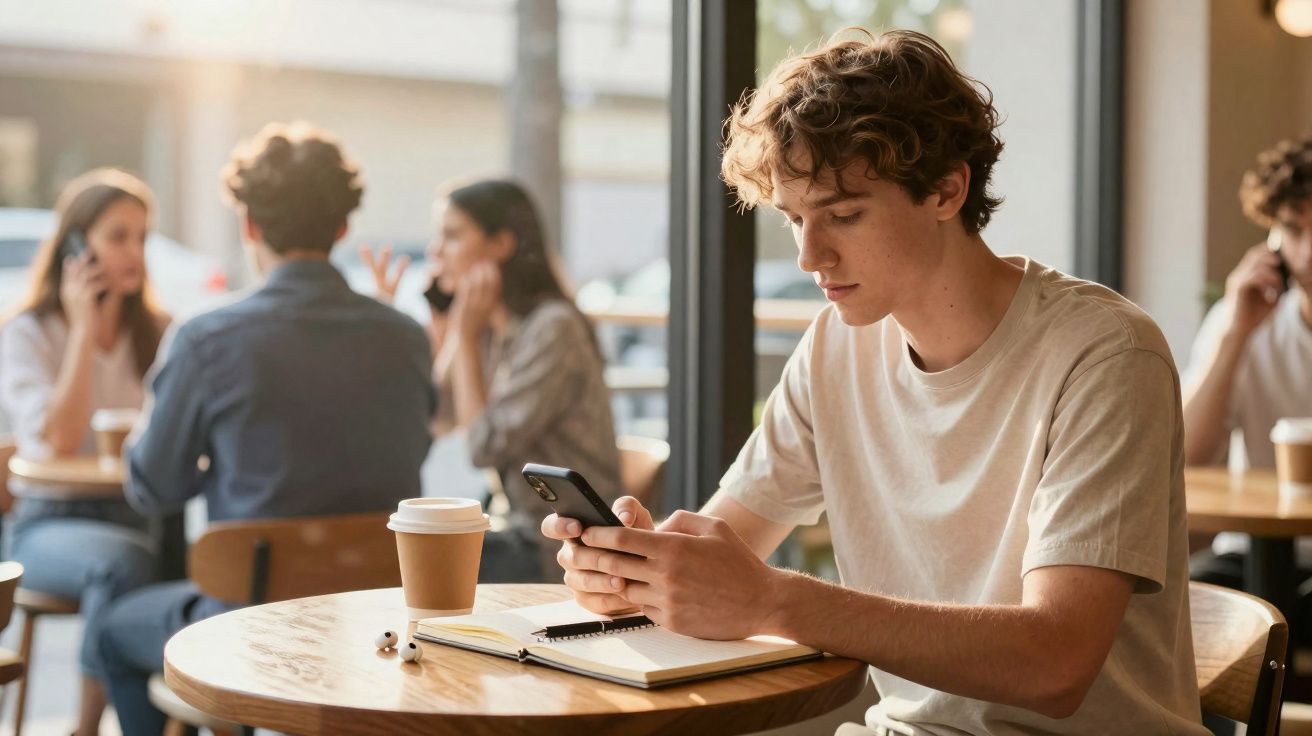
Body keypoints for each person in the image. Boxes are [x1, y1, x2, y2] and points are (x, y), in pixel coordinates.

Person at [543, 30, 1206, 735]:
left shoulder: (1105, 354)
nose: (808, 256)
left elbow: (1055, 664)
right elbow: (728, 548)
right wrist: (644, 575)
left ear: (948, 189)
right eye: (795, 218)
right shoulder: (837, 345)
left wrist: (774, 600)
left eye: (844, 214)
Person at [90, 122, 435, 735]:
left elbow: (153, 488)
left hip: (247, 621)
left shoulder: (205, 338)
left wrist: (214, 462)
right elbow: (411, 451)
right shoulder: (406, 337)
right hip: (374, 615)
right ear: (341, 227)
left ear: (248, 224)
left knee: (113, 629)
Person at [364, 179, 619, 582]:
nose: (434, 251)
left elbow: (483, 447)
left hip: (560, 546)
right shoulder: (488, 327)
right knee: (394, 548)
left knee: (402, 563)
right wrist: (439, 329)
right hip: (514, 528)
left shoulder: (553, 329)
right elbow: (438, 420)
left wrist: (463, 338)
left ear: (501, 244)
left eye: (451, 235)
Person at [0, 168, 166, 736]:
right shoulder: (27, 332)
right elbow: (60, 441)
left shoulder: (159, 332)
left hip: (138, 513)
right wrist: (79, 330)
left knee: (207, 565)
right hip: (47, 524)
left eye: (142, 238)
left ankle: (175, 722)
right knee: (122, 563)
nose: (134, 253)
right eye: (118, 236)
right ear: (77, 244)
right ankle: (87, 728)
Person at [1184, 136, 1312, 594]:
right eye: (1295, 230)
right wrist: (1235, 335)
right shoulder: (1242, 322)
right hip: (1251, 555)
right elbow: (1185, 456)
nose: (1308, 253)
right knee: (1184, 604)